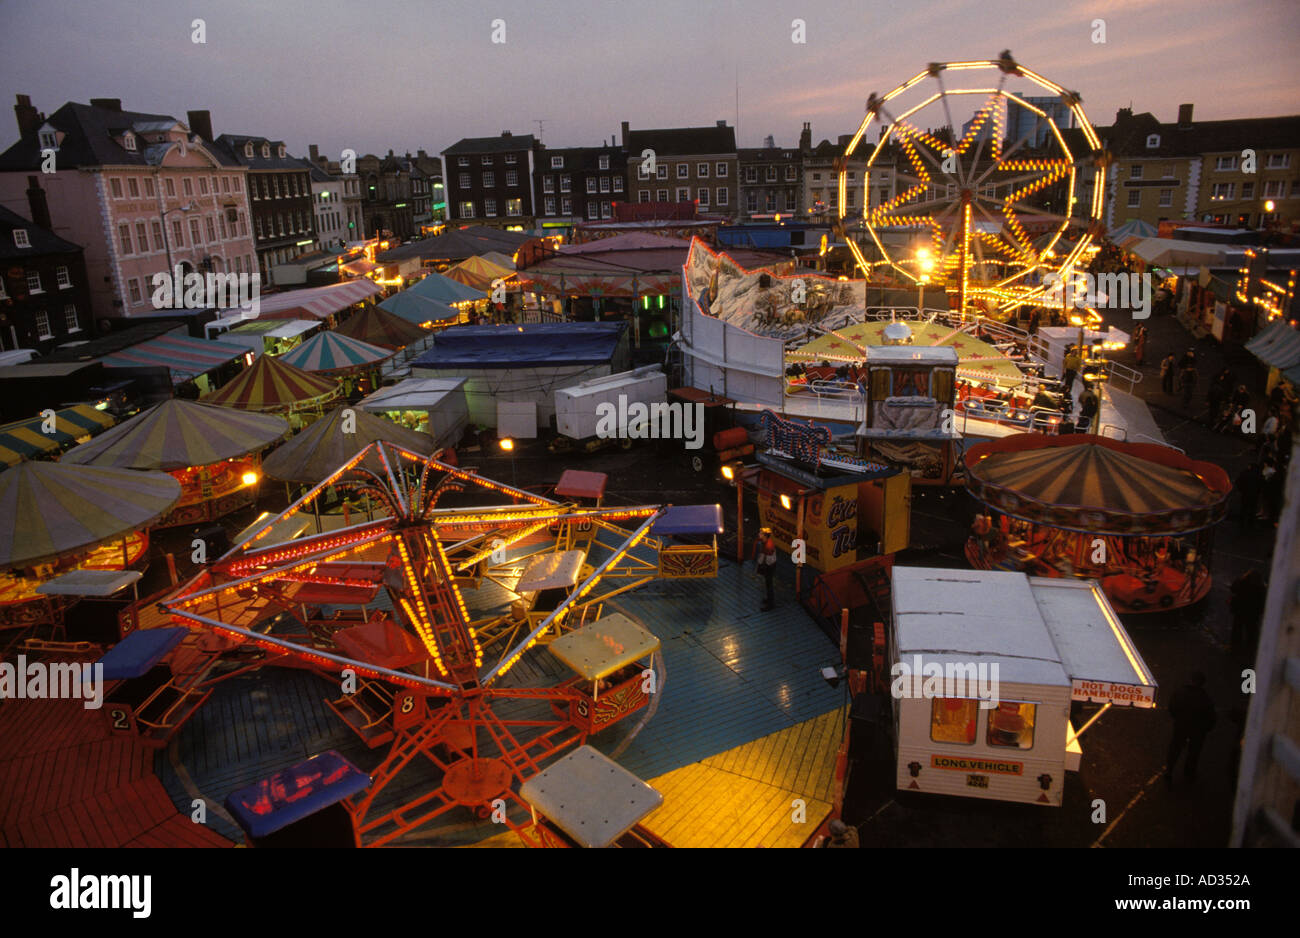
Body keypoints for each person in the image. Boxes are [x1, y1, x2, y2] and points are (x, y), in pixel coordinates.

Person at [1165, 672, 1216, 787]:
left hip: (1181, 727)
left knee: (1175, 749)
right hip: (1198, 731)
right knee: (1193, 753)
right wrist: (1206, 728)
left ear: (1191, 680)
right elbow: (1211, 717)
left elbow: (1172, 707)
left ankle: (1169, 771)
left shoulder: (1180, 693)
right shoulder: (1205, 698)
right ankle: (1188, 774)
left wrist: (1178, 719)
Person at [1228, 569, 1267, 655]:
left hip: (1240, 610)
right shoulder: (1261, 588)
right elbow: (1263, 602)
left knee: (1237, 628)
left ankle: (1235, 647)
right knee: (1252, 631)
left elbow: (1233, 588)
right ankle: (1250, 649)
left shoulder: (1241, 582)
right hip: (1253, 613)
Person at [754, 526, 777, 612]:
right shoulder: (765, 542)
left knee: (769, 584)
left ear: (765, 535)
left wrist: (761, 565)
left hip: (769, 566)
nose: (759, 534)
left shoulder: (768, 546)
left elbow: (768, 559)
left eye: (761, 533)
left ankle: (771, 604)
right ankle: (769, 599)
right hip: (769, 565)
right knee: (768, 584)